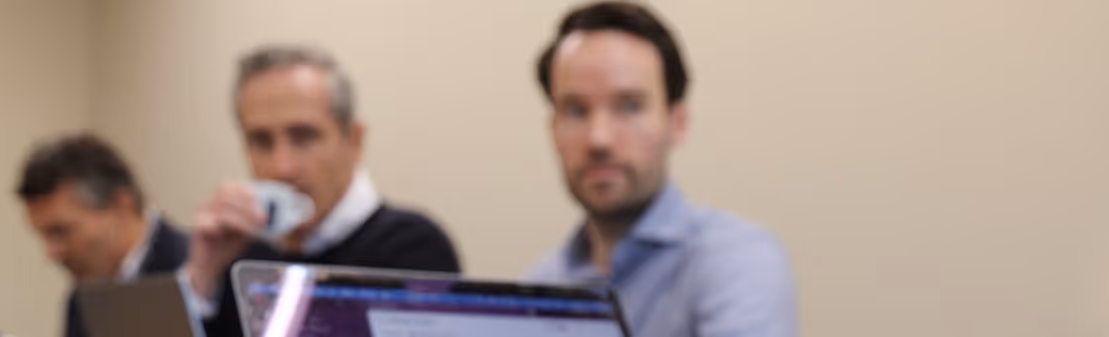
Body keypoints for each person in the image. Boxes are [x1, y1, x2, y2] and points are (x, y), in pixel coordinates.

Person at [522, 2, 799, 337]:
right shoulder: (536, 289)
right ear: (553, 129)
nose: (599, 139)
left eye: (629, 106)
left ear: (677, 122)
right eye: (577, 110)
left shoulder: (738, 262)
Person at [182, 45, 462, 337]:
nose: (282, 167)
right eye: (261, 141)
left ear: (354, 141)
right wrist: (201, 279)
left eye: (304, 137)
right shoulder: (243, 257)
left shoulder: (414, 249)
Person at [14, 133, 191, 337]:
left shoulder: (205, 274)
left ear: (121, 205)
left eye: (61, 231)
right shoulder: (82, 298)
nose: (52, 253)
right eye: (44, 236)